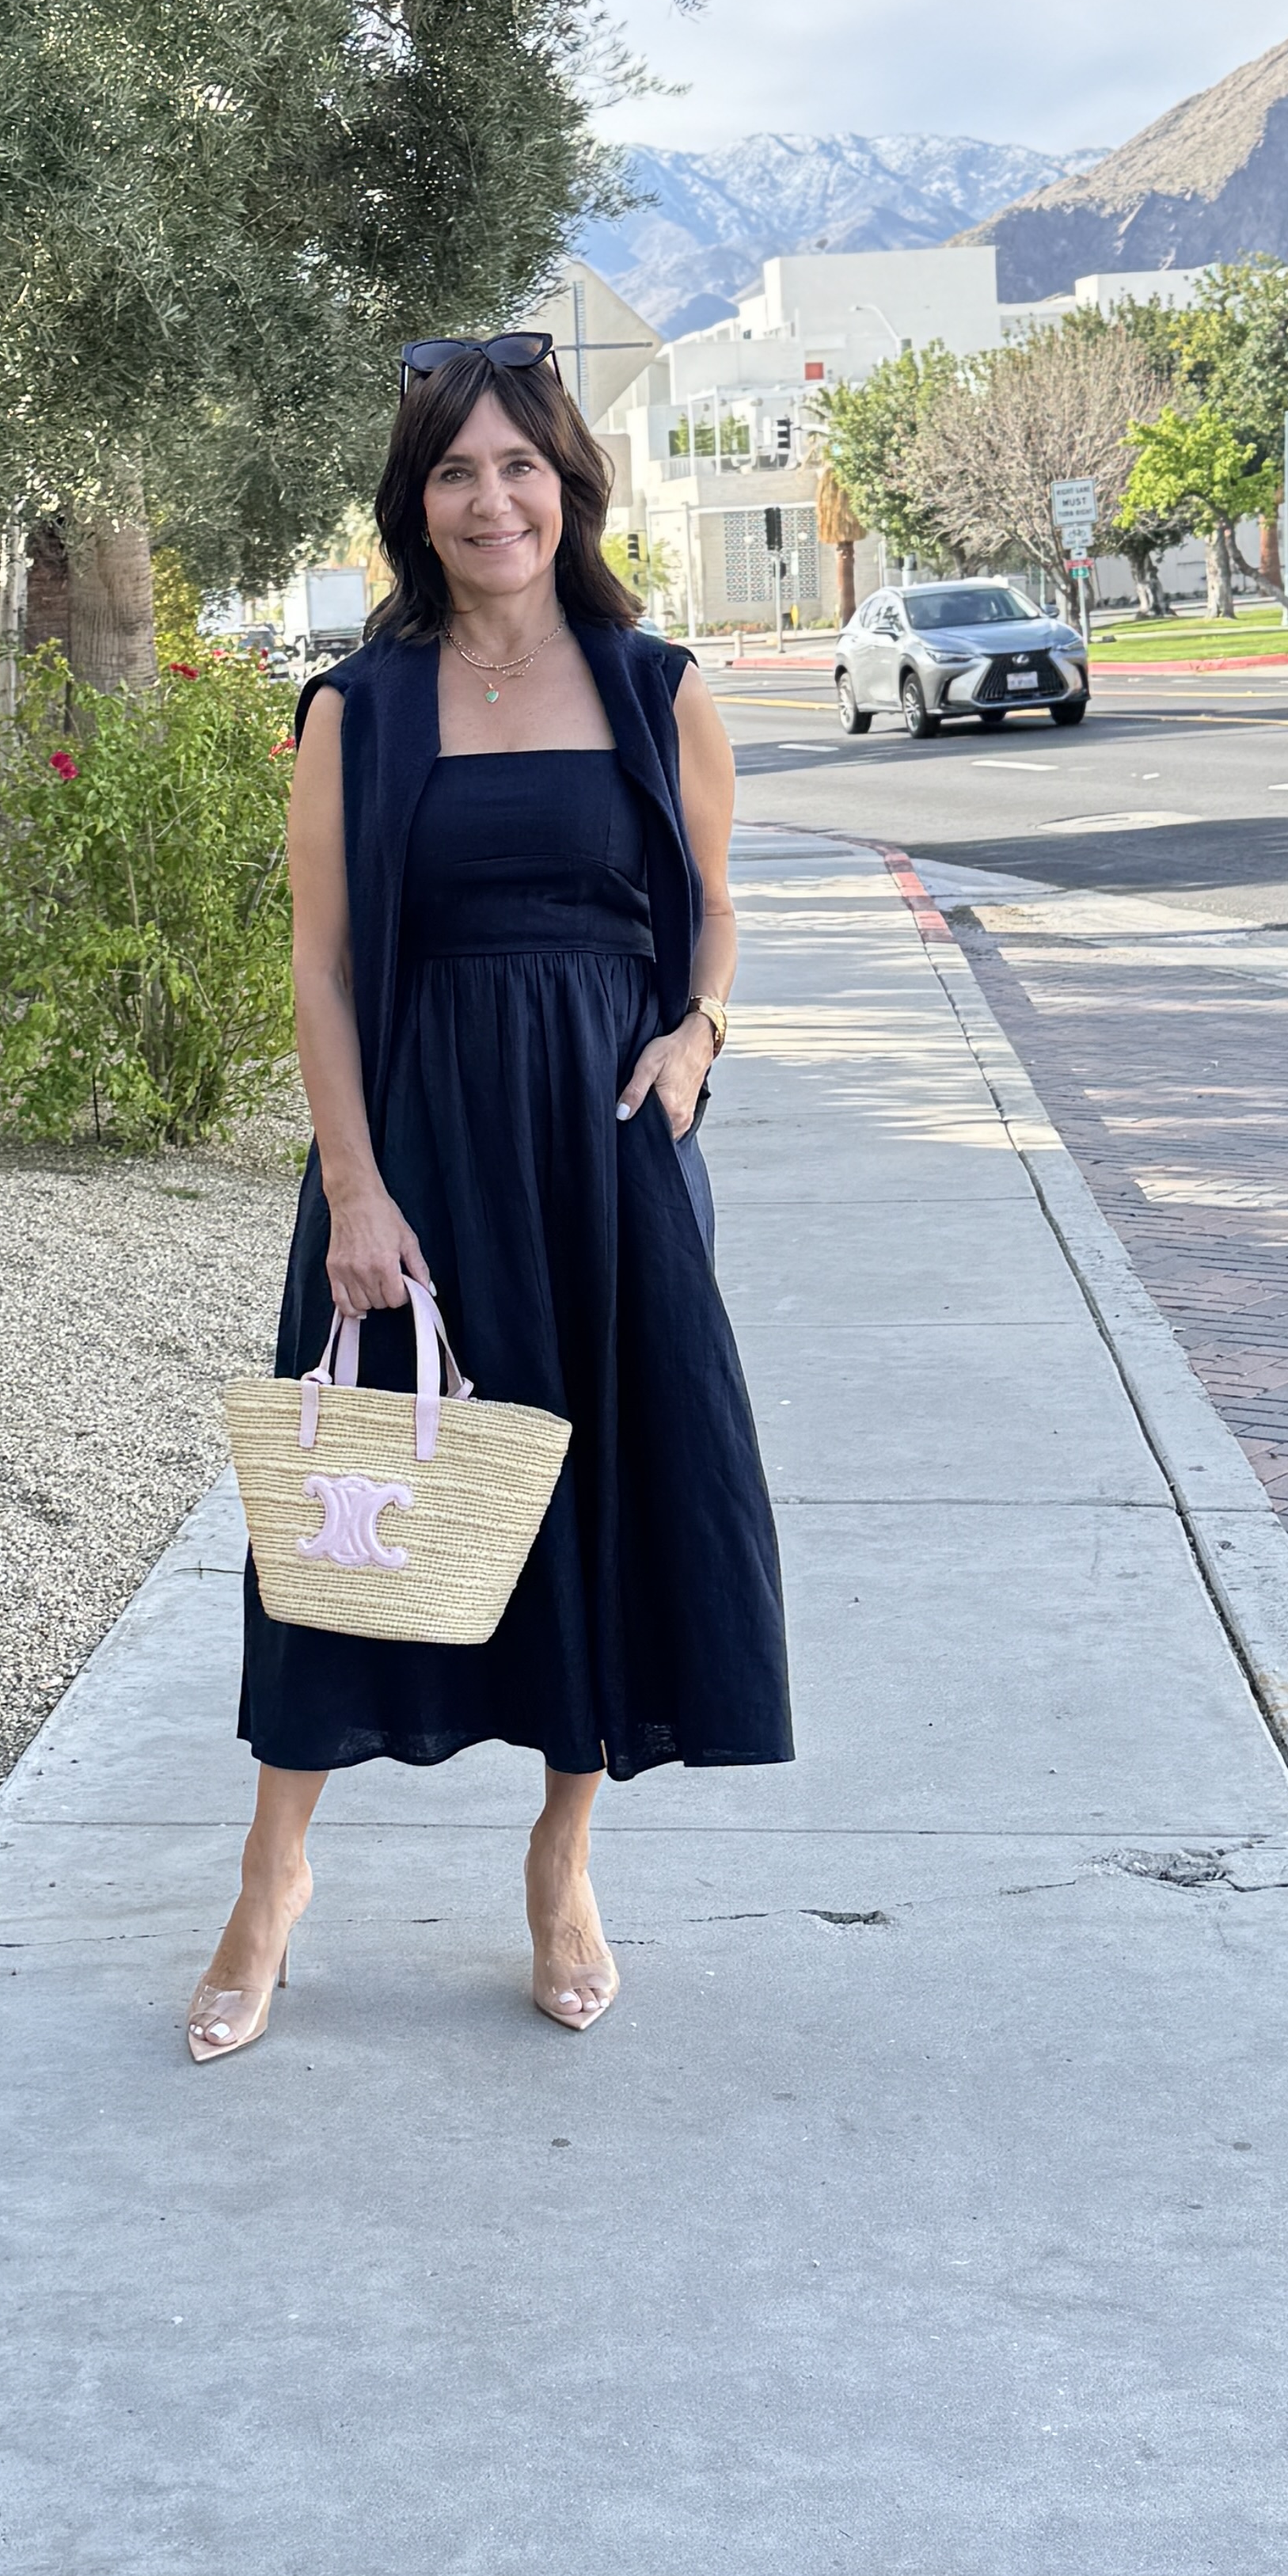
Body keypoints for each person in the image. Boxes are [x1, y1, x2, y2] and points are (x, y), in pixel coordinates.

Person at [189, 329, 792, 2063]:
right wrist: (357, 1190)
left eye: (517, 463)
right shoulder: (354, 712)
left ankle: (559, 1861)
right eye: (454, 471)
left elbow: (717, 911)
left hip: (604, 1163)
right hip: (420, 1156)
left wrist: (696, 1040)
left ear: (567, 484)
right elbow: (317, 971)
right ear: (416, 505)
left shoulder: (654, 684)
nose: (489, 498)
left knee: (593, 1503)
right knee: (348, 1516)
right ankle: (270, 1882)